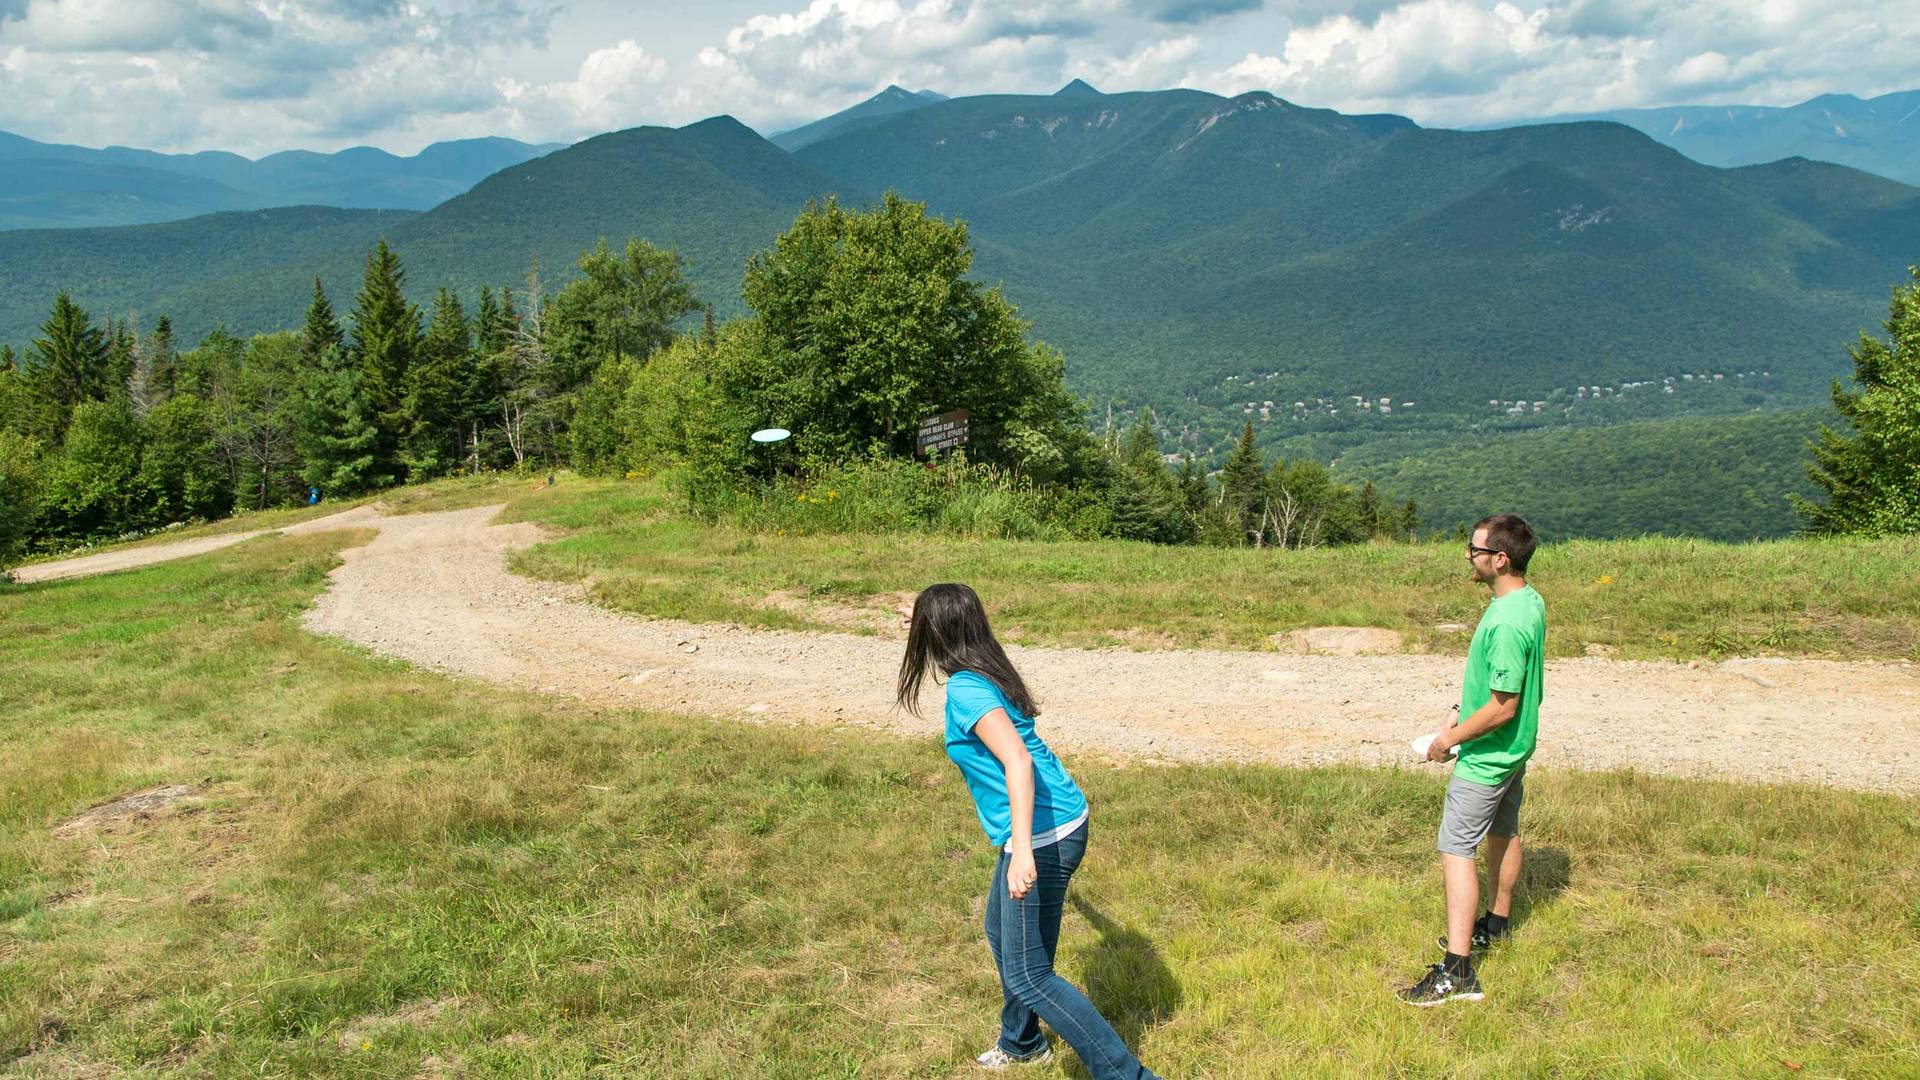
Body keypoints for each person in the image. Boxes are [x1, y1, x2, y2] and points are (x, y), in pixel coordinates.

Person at [897, 584, 1160, 1078]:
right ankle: (1022, 1043)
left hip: (1041, 833)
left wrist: (1021, 851)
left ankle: (1129, 1075)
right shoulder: (984, 666)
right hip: (1057, 819)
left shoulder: (965, 688)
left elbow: (1018, 762)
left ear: (936, 633)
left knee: (1030, 974)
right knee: (1002, 932)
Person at [1400, 513, 1547, 1007]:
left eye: (1475, 549)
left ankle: (1458, 972)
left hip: (1486, 759)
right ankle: (1497, 924)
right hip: (1515, 752)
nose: (1469, 555)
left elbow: (1503, 706)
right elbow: (1503, 688)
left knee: (1456, 848)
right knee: (1504, 831)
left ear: (1499, 559)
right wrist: (1462, 708)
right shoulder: (1527, 600)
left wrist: (1448, 740)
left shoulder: (1506, 621)